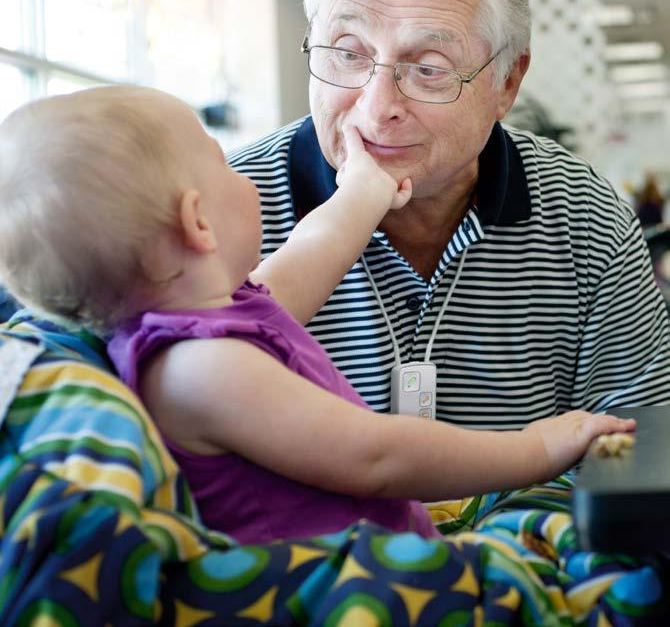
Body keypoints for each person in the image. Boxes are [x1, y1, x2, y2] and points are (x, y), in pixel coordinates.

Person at [0, 86, 633, 545]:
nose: (245, 175)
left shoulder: (220, 313)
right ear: (199, 221)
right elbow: (376, 456)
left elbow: (316, 246)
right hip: (320, 590)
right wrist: (538, 445)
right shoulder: (200, 370)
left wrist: (364, 185)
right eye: (222, 165)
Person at [229, 0, 670, 427]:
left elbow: (633, 443)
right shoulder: (223, 206)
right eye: (347, 52)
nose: (377, 107)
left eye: (430, 67)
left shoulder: (585, 219)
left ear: (506, 82)